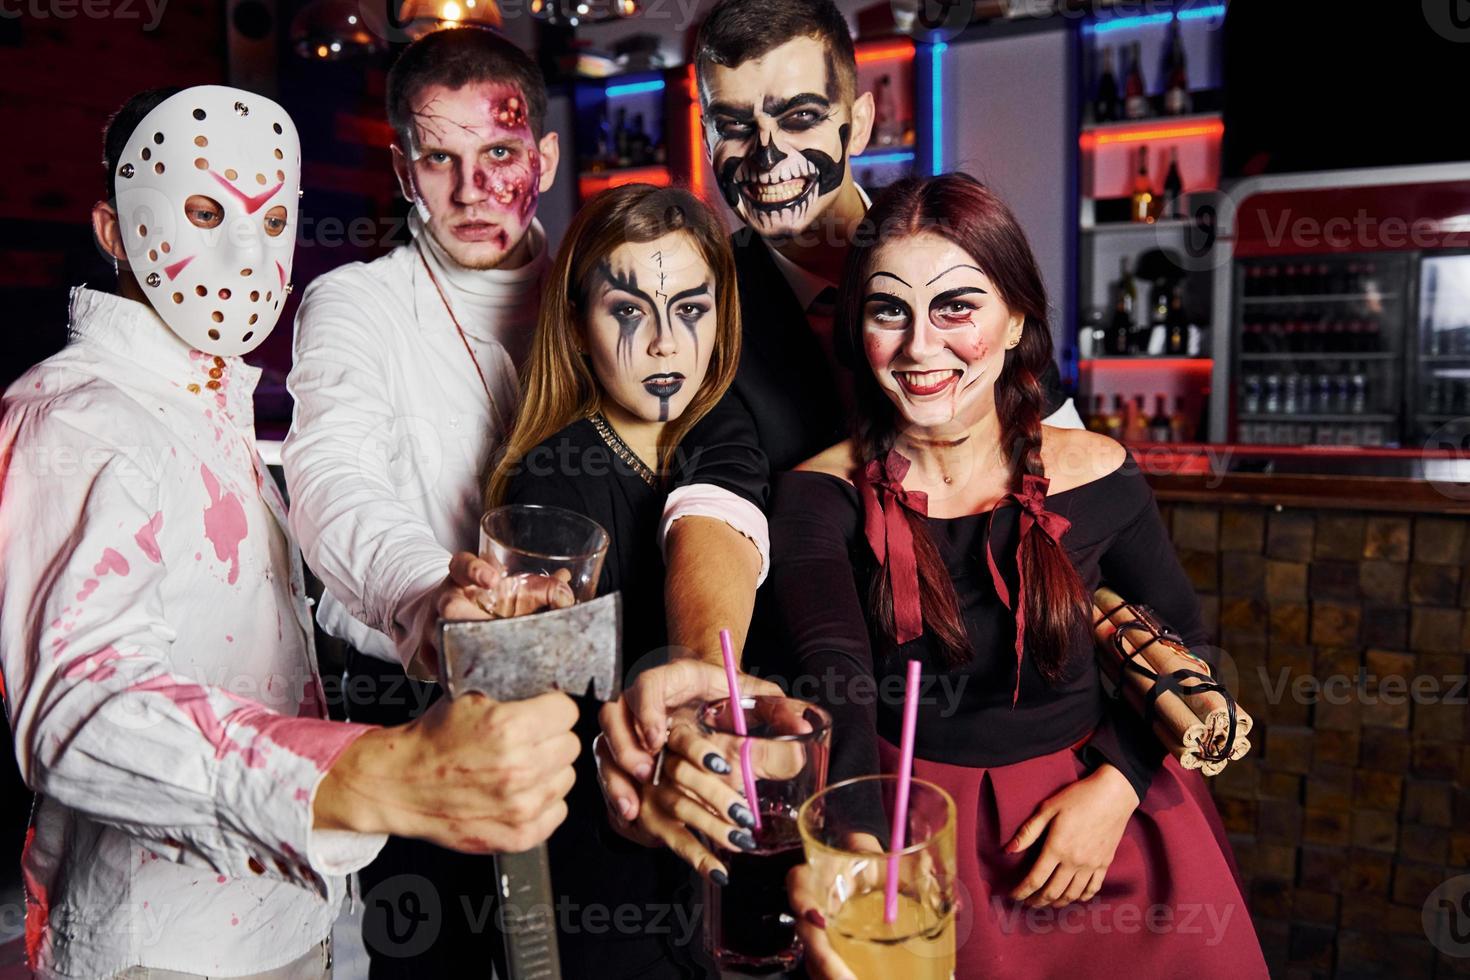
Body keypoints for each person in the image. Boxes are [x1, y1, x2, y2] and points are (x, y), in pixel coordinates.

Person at [0, 85, 579, 980]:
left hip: (282, 920)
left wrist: (433, 599)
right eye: (202, 211)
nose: (241, 250)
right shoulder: (78, 418)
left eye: (270, 218)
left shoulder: (202, 402)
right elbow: (76, 707)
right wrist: (369, 778)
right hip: (164, 949)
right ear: (115, 230)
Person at [597, 0, 1081, 852]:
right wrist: (711, 673)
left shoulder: (949, 241)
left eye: (799, 116)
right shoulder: (705, 307)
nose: (768, 155)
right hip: (834, 738)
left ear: (859, 117)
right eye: (734, 124)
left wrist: (1119, 767)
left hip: (1021, 716)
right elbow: (717, 497)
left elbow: (1064, 480)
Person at [767, 173, 1267, 979]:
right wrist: (861, 843)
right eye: (888, 310)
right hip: (917, 825)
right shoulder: (816, 493)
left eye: (956, 306)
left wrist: (1117, 789)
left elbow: (1190, 643)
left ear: (1016, 321)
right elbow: (837, 680)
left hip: (1106, 821)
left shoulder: (1100, 470)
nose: (921, 346)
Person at [484, 182, 783, 976]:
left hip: (728, 862)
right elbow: (542, 726)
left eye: (690, 308)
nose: (663, 345)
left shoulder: (724, 432)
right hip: (614, 880)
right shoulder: (552, 483)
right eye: (627, 311)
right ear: (577, 326)